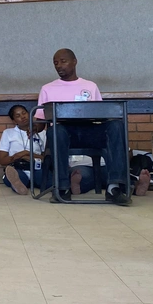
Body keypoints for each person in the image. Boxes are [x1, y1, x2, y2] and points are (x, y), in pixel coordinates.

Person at [36, 49, 132, 206]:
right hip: (65, 134)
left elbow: (100, 114)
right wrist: (32, 126)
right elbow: (40, 121)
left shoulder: (90, 86)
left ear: (75, 61)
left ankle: (114, 187)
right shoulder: (47, 88)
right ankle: (62, 188)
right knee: (55, 130)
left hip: (90, 131)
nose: (59, 65)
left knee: (115, 125)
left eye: (63, 61)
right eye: (55, 63)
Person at [0, 104, 101, 195]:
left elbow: (46, 157)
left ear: (29, 114)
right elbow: (2, 160)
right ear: (13, 120)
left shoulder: (41, 132)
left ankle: (69, 186)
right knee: (17, 176)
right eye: (18, 116)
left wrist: (29, 154)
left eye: (24, 113)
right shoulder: (8, 133)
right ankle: (19, 185)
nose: (22, 117)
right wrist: (19, 155)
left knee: (50, 182)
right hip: (18, 166)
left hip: (37, 166)